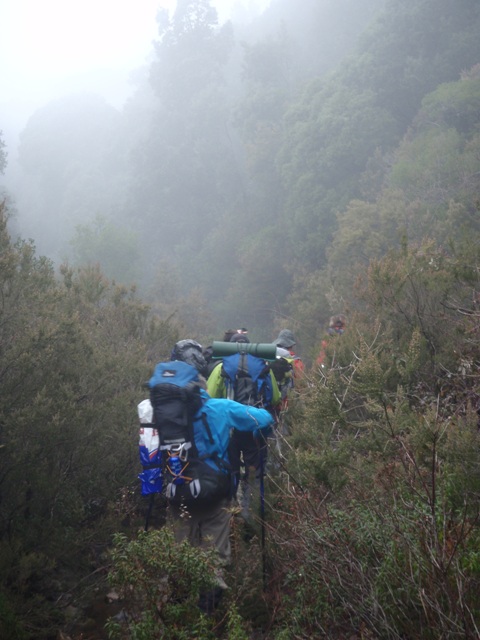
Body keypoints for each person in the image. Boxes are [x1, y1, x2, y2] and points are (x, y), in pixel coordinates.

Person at [140, 339, 274, 611]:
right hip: (215, 496)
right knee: (213, 560)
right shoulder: (220, 409)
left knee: (178, 555)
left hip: (177, 492)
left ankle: (173, 615)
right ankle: (207, 618)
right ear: (201, 374)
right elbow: (264, 419)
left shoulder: (153, 409)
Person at [206, 333, 280, 522]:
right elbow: (275, 397)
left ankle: (230, 508)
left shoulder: (222, 368)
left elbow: (210, 398)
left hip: (230, 429)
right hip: (256, 427)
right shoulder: (264, 367)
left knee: (230, 468)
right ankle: (251, 512)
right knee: (254, 470)